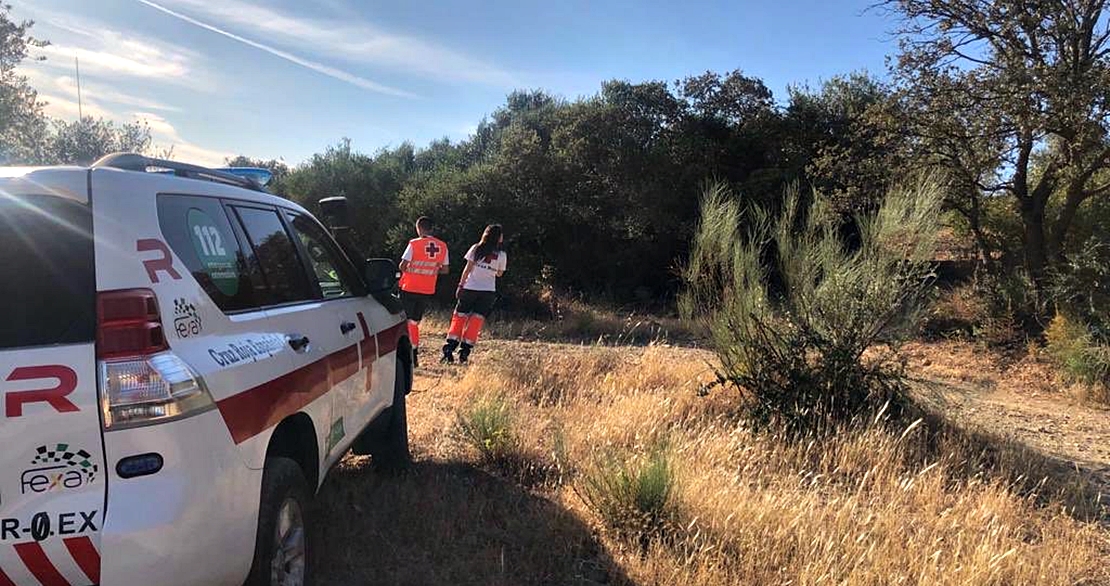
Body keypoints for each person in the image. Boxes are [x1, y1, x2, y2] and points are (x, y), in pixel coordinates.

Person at [443, 224, 506, 364]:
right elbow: (500, 274)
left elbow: (467, 269)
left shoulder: (476, 248)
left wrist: (460, 285)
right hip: (488, 292)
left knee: (459, 317)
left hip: (469, 288)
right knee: (475, 322)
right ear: (498, 238)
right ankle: (465, 351)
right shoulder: (501, 255)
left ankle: (449, 348)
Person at [399, 216, 449, 367]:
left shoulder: (414, 244)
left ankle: (411, 354)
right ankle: (413, 355)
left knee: (407, 322)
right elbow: (445, 270)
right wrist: (431, 270)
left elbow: (402, 265)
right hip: (427, 289)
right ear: (431, 228)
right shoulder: (442, 246)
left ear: (419, 228)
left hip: (409, 287)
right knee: (415, 322)